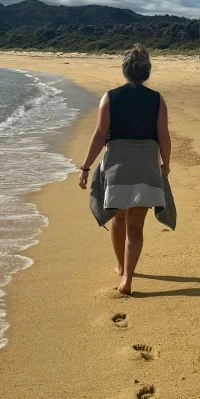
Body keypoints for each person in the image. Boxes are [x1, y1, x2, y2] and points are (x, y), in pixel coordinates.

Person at [78, 44, 171, 295]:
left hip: (117, 166)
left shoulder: (110, 97)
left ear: (125, 70)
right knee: (136, 226)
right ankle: (127, 279)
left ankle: (121, 266)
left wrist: (85, 167)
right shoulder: (156, 99)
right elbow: (163, 135)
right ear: (147, 72)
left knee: (118, 217)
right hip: (146, 166)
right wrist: (166, 163)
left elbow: (99, 135)